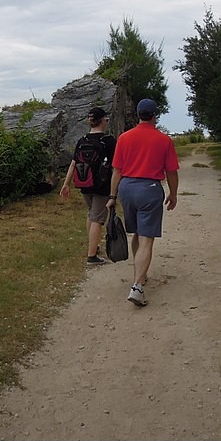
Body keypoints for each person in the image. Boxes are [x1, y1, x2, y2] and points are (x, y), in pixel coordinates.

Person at [106, 99, 179, 306]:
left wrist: (112, 197)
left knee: (137, 233)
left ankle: (139, 275)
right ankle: (137, 286)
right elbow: (171, 172)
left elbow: (117, 171)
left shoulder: (124, 138)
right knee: (147, 239)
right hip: (149, 189)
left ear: (138, 114)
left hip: (127, 189)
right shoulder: (164, 140)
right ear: (156, 115)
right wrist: (173, 194)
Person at [60, 107, 117, 266]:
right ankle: (92, 256)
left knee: (91, 214)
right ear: (103, 120)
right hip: (102, 185)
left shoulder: (82, 140)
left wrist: (66, 184)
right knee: (97, 219)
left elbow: (73, 164)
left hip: (85, 183)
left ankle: (94, 245)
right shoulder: (108, 141)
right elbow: (118, 166)